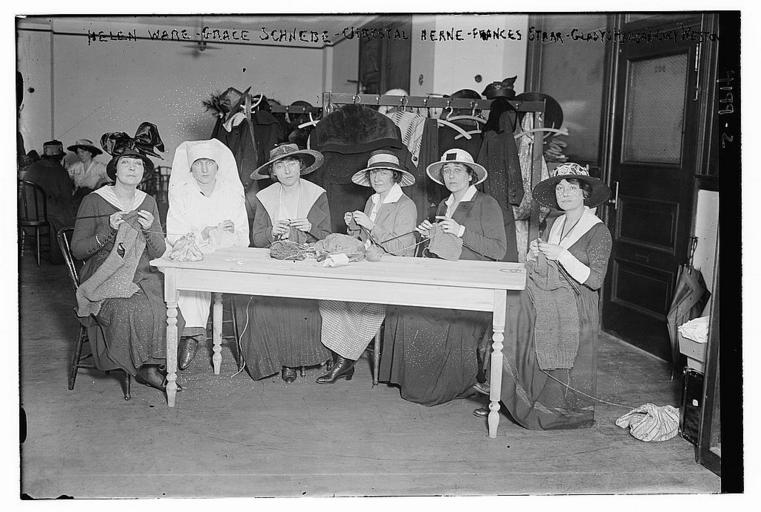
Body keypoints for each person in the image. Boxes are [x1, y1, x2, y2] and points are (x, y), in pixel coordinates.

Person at [477, 163, 611, 429]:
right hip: (551, 290)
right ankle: (502, 390)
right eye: (560, 188)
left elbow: (595, 281)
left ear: (584, 193)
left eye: (572, 188)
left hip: (578, 300)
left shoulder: (598, 231)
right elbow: (547, 265)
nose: (565, 193)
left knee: (516, 310)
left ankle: (518, 395)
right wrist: (535, 255)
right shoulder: (557, 222)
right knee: (508, 302)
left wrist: (561, 255)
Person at [379, 149, 507, 406]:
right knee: (404, 309)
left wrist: (461, 231)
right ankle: (413, 381)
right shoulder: (444, 205)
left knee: (426, 319)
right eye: (447, 171)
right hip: (446, 279)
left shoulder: (486, 203)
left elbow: (498, 250)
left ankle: (441, 385)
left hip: (473, 284)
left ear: (470, 176)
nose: (451, 176)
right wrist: (429, 235)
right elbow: (443, 250)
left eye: (458, 170)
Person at [70, 141, 172, 393]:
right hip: (104, 271)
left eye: (138, 164)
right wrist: (108, 229)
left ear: (144, 172)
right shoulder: (94, 200)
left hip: (142, 270)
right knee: (131, 309)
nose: (132, 168)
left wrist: (149, 230)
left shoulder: (148, 201)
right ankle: (141, 366)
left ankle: (151, 365)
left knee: (168, 307)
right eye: (125, 162)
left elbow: (159, 251)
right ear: (114, 169)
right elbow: (78, 250)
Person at [233, 143, 332, 382]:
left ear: (301, 166)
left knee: (299, 303)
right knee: (263, 305)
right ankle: (281, 360)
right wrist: (271, 232)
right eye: (280, 165)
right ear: (273, 171)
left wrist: (311, 228)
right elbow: (257, 239)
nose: (287, 170)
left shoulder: (317, 194)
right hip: (276, 261)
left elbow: (328, 237)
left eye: (292, 163)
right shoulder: (265, 197)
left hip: (308, 261)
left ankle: (299, 358)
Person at [316, 149, 418, 384]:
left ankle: (344, 360)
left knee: (355, 301)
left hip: (392, 270)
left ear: (395, 176)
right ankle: (343, 356)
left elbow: (402, 247)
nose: (377, 178)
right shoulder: (373, 200)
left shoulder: (406, 205)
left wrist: (370, 225)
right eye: (373, 173)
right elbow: (363, 241)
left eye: (383, 173)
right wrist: (353, 227)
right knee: (328, 294)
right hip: (368, 265)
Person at [166, 139, 249, 370]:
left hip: (226, 256)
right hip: (193, 255)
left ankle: (244, 341)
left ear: (217, 166)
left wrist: (231, 232)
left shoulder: (231, 192)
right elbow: (174, 235)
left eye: (209, 163)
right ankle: (191, 335)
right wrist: (203, 234)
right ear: (190, 167)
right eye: (198, 163)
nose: (204, 169)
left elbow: (243, 236)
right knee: (193, 281)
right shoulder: (182, 193)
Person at [19, 140, 75, 264]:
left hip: (27, 214)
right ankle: (65, 254)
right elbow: (67, 197)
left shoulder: (33, 167)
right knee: (71, 214)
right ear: (59, 157)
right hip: (45, 214)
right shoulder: (60, 171)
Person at [66, 139, 110, 209]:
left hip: (93, 199)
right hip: (77, 199)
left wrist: (100, 182)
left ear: (90, 153)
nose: (80, 154)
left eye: (82, 152)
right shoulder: (74, 167)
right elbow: (66, 179)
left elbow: (112, 177)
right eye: (78, 152)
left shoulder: (100, 167)